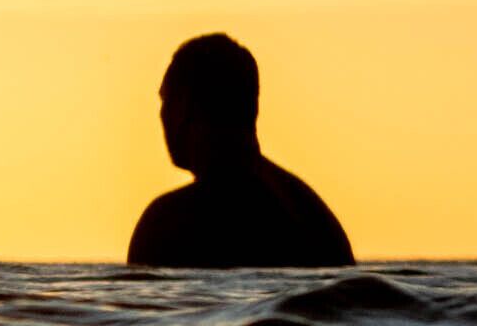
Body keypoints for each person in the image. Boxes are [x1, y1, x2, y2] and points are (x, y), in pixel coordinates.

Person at [127, 32, 354, 269]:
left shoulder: (168, 222)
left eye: (165, 101)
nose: (161, 115)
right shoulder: (313, 217)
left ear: (184, 107)